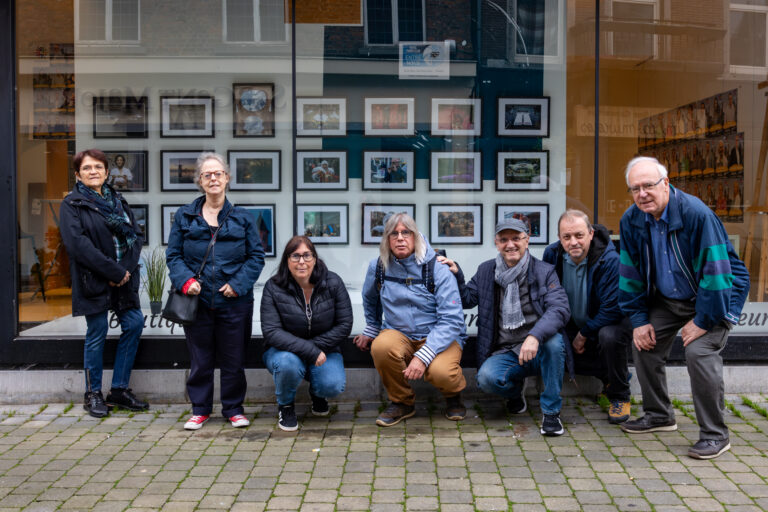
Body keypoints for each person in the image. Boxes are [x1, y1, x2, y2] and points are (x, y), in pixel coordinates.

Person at [619, 156, 750, 459]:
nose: (642, 194)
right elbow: (630, 273)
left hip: (716, 294)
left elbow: (717, 273)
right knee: (644, 343)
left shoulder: (696, 214)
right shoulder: (632, 219)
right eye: (635, 189)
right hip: (670, 299)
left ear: (665, 184)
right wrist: (639, 320)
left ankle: (715, 435)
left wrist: (704, 321)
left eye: (648, 186)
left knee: (698, 352)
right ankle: (659, 415)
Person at [440, 218, 571, 436]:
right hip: (507, 351)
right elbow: (468, 299)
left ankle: (551, 412)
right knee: (487, 380)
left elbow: (559, 309)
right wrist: (456, 274)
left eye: (516, 238)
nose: (510, 244)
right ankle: (514, 393)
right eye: (504, 239)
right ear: (497, 243)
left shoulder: (544, 271)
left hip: (538, 348)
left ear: (527, 241)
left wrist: (535, 336)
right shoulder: (486, 270)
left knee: (555, 343)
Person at [166, 152, 265, 431]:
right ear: (200, 181)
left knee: (234, 358)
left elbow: (256, 257)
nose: (213, 178)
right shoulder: (185, 216)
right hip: (196, 300)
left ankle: (233, 409)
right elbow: (173, 256)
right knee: (200, 358)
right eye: (207, 174)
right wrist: (186, 281)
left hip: (234, 301)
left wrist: (237, 284)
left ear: (227, 178)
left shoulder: (243, 218)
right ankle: (200, 409)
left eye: (218, 174)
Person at [353, 213, 467, 426]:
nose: (400, 238)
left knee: (442, 373)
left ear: (416, 237)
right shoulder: (378, 266)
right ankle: (402, 402)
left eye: (406, 232)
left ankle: (453, 396)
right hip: (399, 332)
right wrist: (372, 326)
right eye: (393, 234)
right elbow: (370, 298)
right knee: (380, 346)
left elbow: (452, 320)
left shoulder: (438, 269)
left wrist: (423, 356)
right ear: (387, 239)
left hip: (439, 335)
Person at [59, 149, 148, 418]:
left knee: (134, 324)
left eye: (98, 167)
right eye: (87, 168)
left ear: (107, 172)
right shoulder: (72, 204)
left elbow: (135, 236)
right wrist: (111, 270)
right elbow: (78, 246)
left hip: (123, 279)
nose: (93, 171)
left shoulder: (118, 201)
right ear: (78, 174)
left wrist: (125, 271)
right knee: (96, 332)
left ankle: (119, 391)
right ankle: (93, 394)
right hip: (94, 279)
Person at [542, 210, 632, 424]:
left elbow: (612, 308)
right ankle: (607, 377)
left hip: (607, 321)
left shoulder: (610, 260)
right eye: (566, 237)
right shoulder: (552, 255)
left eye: (579, 235)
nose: (573, 242)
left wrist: (583, 334)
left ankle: (619, 395)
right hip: (571, 322)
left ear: (591, 234)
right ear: (559, 238)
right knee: (553, 344)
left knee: (609, 337)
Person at [260, 236, 352, 431]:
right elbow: (271, 331)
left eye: (306, 255)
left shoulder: (333, 282)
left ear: (315, 258)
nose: (301, 261)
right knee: (288, 364)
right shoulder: (273, 287)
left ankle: (318, 393)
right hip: (283, 351)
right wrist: (309, 351)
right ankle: (285, 406)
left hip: (325, 348)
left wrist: (313, 348)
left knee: (333, 384)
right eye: (295, 256)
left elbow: (345, 324)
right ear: (287, 260)